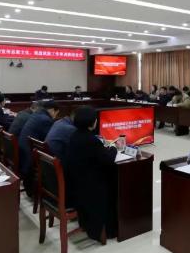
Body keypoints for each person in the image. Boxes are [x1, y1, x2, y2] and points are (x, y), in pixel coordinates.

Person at [63, 106, 118, 241]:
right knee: (115, 179)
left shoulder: (75, 135)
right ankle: (110, 229)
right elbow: (108, 160)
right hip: (88, 187)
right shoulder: (91, 140)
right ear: (92, 122)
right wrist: (113, 148)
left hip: (75, 182)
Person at [18, 101, 59, 186]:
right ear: (52, 110)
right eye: (56, 113)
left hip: (24, 147)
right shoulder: (46, 119)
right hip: (29, 152)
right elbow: (49, 139)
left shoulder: (37, 114)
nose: (55, 116)